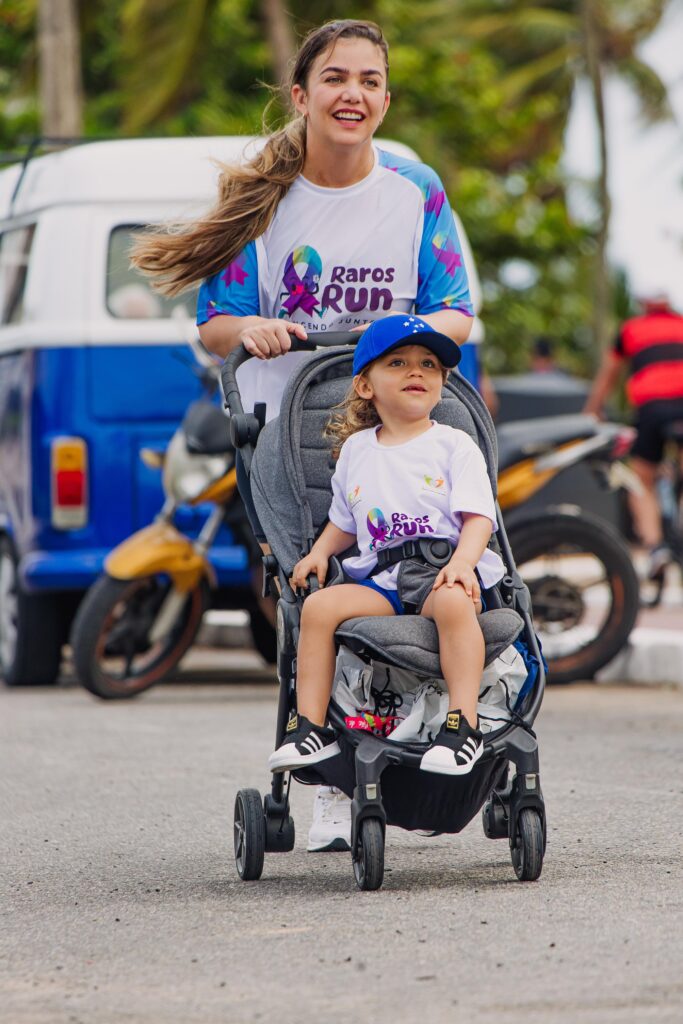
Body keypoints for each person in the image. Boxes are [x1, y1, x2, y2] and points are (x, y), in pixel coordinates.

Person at [131, 20, 475, 848]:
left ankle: (417, 735)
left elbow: (456, 313)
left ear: (385, 99)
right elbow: (213, 325)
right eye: (334, 78)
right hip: (289, 440)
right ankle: (330, 784)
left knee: (417, 585)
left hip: (392, 432)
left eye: (368, 80)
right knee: (311, 597)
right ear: (301, 94)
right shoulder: (264, 197)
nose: (351, 93)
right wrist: (250, 328)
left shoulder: (415, 189)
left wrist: (398, 336)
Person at [268, 315, 504, 777]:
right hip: (384, 578)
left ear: (441, 382)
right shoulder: (356, 451)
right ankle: (311, 728)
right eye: (398, 363)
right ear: (364, 386)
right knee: (318, 608)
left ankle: (464, 726)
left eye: (429, 364)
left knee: (454, 603)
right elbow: (344, 521)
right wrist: (319, 552)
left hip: (440, 568)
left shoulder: (454, 445)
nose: (417, 371)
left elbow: (479, 517)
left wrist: (463, 564)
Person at [583, 291, 683, 578]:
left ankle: (655, 547)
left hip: (651, 408)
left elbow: (609, 374)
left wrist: (592, 411)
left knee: (641, 480)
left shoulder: (631, 329)